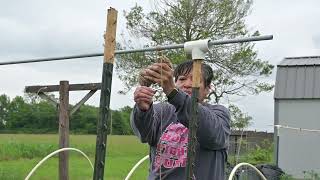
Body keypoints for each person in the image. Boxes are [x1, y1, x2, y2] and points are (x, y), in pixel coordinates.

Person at [131, 59, 231, 180]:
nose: (188, 84)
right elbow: (144, 135)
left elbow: (213, 135)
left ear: (207, 89)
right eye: (182, 79)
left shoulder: (219, 114)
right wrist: (142, 109)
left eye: (195, 80)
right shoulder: (162, 111)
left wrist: (174, 94)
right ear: (175, 82)